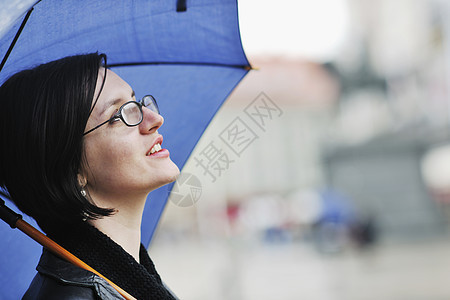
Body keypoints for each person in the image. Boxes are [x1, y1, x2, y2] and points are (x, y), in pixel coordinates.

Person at [0, 53, 180, 299]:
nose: (155, 119)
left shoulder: (139, 282)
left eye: (136, 103)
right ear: (71, 169)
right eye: (118, 115)